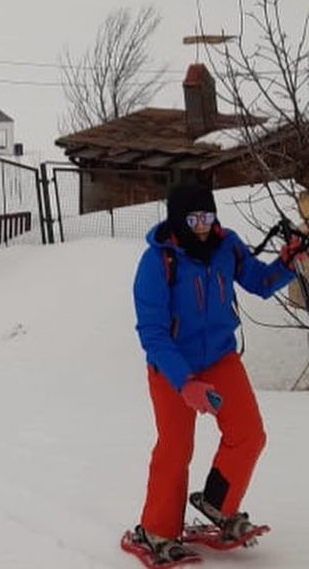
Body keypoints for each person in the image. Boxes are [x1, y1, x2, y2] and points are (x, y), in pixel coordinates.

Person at [126, 182, 307, 565]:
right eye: (194, 219)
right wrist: (184, 382)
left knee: (249, 434)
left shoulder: (228, 246)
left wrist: (287, 263)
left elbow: (258, 282)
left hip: (219, 358)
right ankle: (155, 531)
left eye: (208, 216)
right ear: (178, 220)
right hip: (172, 366)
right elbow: (153, 334)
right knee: (176, 448)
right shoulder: (157, 262)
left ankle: (216, 503)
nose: (203, 226)